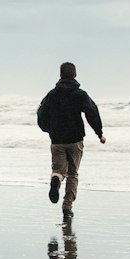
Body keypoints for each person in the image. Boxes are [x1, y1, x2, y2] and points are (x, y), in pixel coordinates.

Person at [36, 61, 105, 216]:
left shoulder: (52, 94)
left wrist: (49, 130)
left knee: (58, 170)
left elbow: (41, 114)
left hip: (57, 140)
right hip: (75, 140)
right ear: (75, 74)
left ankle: (56, 180)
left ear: (60, 75)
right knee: (73, 173)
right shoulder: (80, 94)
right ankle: (67, 206)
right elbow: (92, 113)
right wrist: (99, 133)